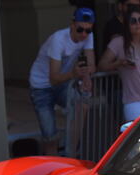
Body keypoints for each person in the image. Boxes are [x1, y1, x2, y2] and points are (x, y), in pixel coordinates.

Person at [29, 7, 96, 156]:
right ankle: (54, 170)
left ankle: (71, 153)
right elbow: (53, 78)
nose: (84, 34)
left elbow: (92, 65)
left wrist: (86, 77)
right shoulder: (58, 39)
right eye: (80, 29)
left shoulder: (87, 37)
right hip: (41, 86)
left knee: (82, 105)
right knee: (50, 135)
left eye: (88, 30)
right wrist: (75, 74)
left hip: (62, 82)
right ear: (72, 25)